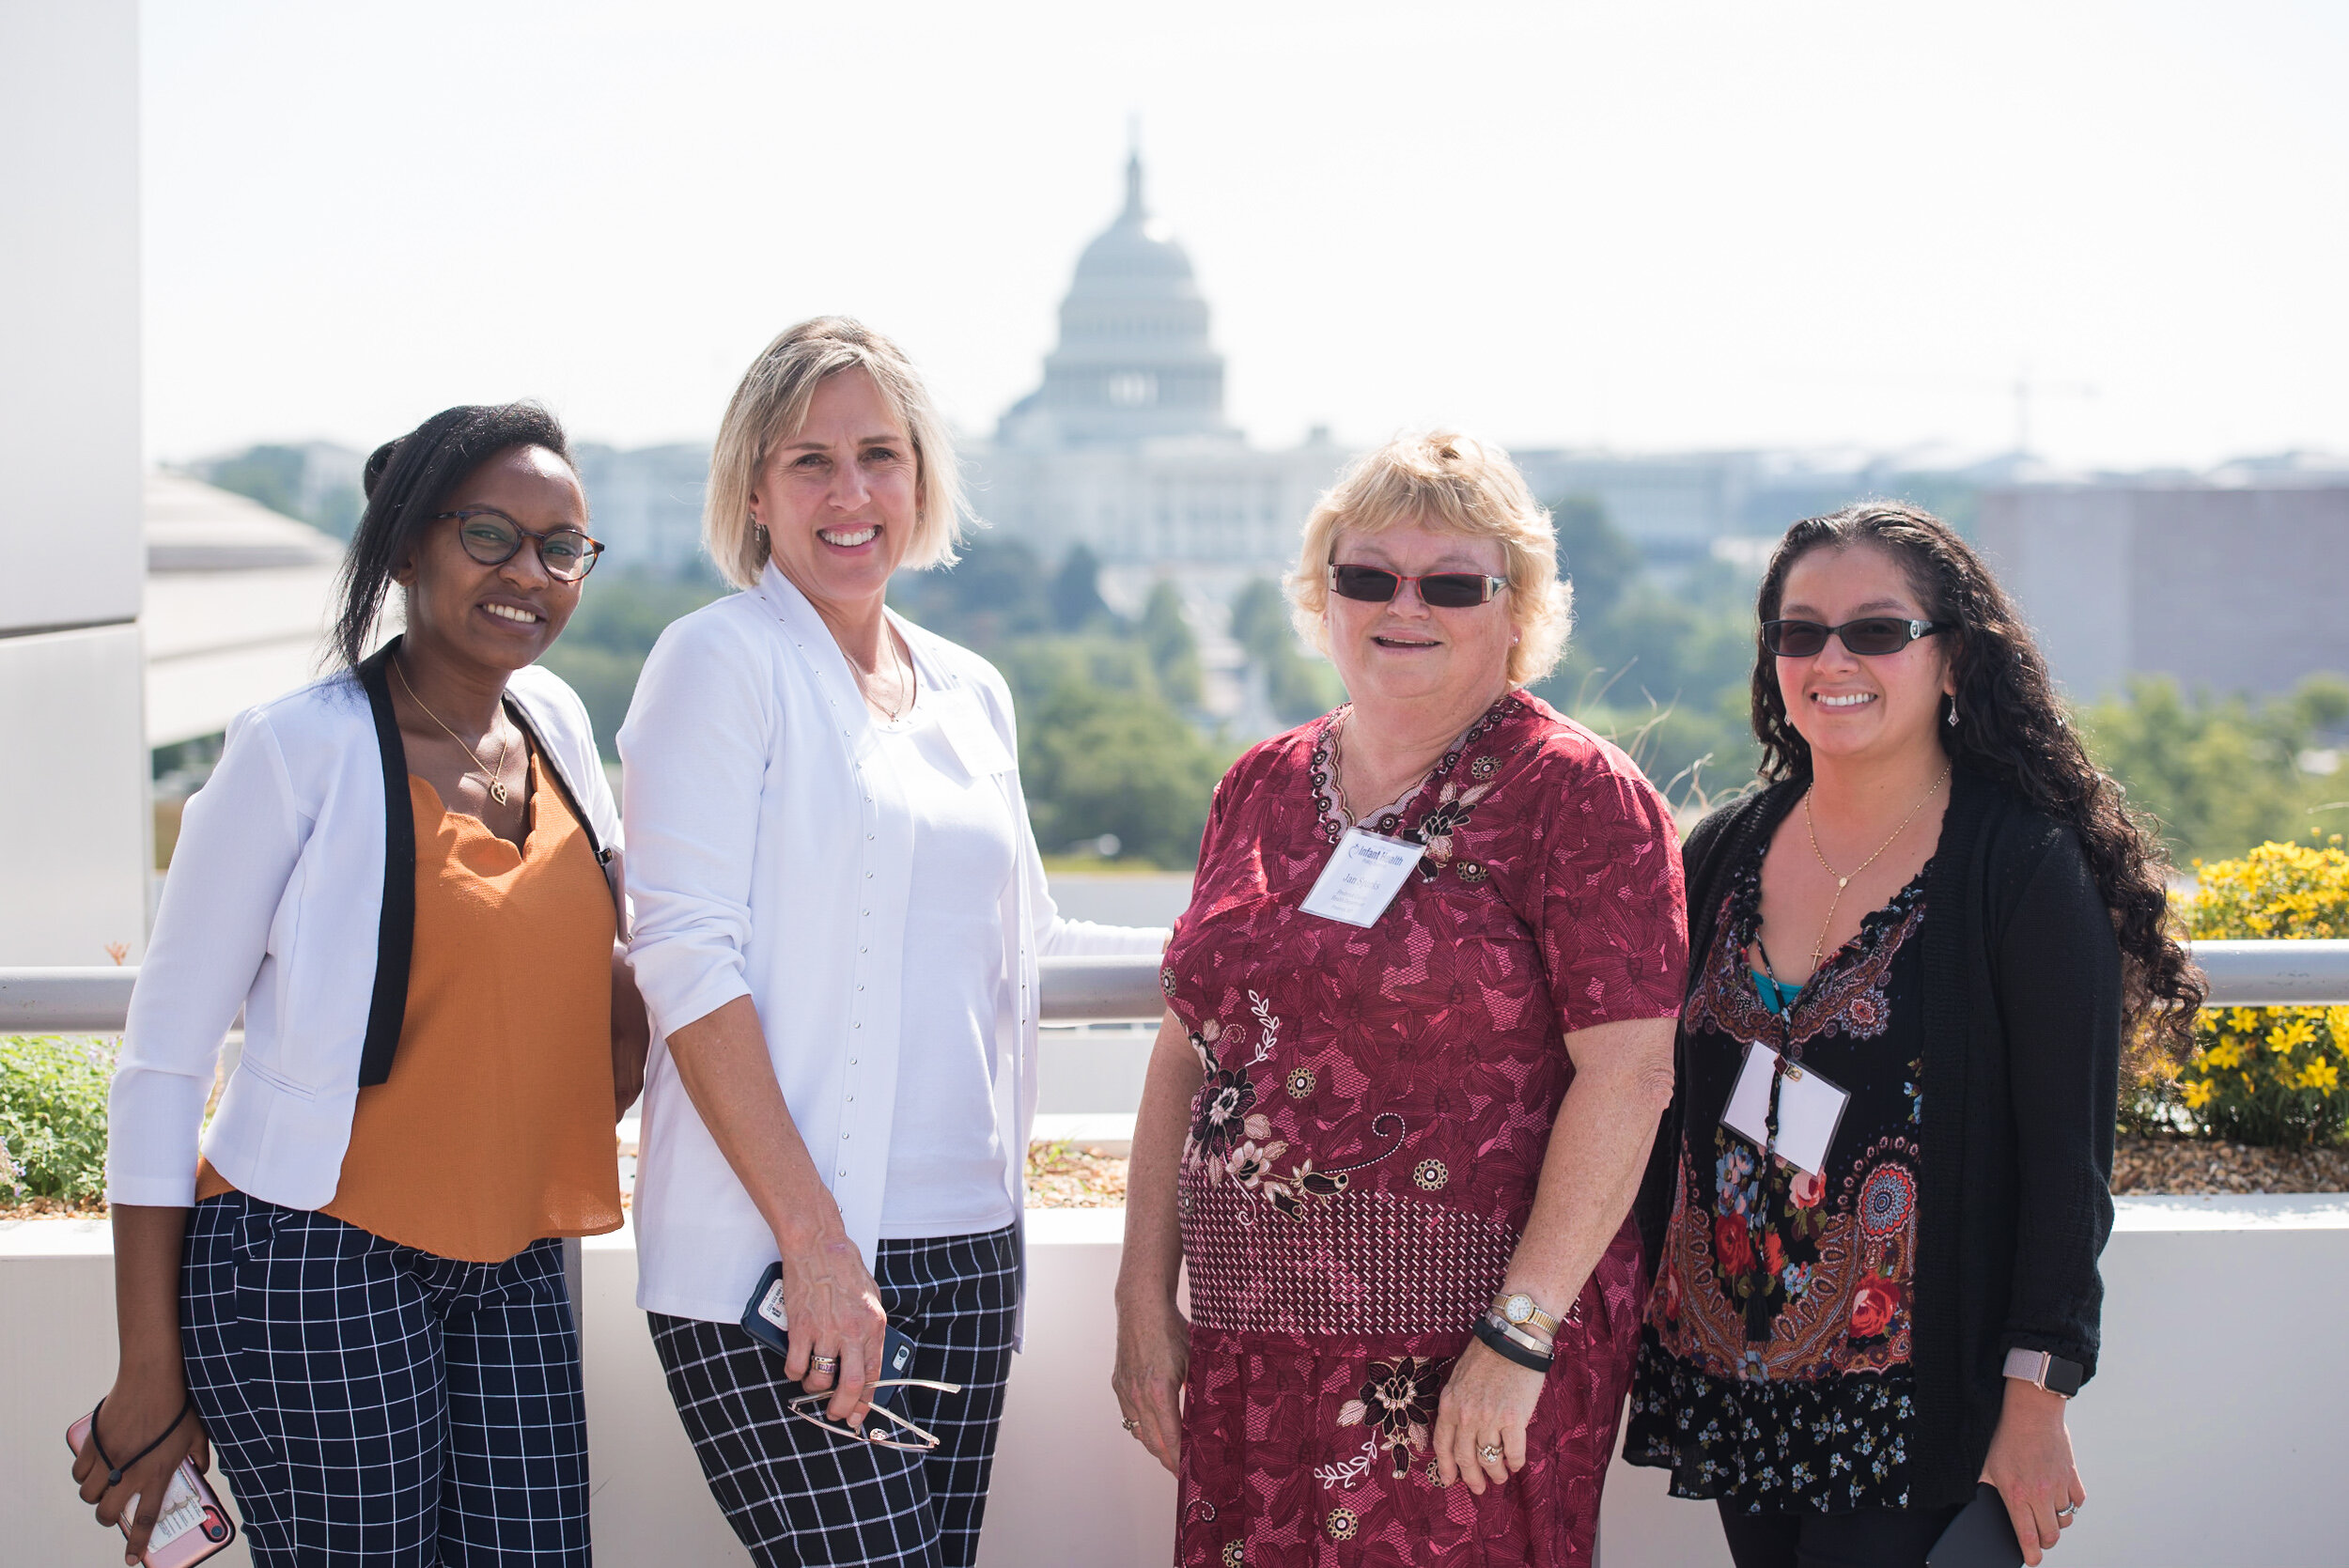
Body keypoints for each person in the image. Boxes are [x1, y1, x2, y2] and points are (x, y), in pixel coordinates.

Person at [617, 316, 1164, 1568]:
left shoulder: (972, 689)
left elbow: (1031, 940)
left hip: (969, 1251)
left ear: (923, 476)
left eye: (881, 453)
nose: (851, 492)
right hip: (782, 1258)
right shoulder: (717, 662)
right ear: (754, 490)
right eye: (810, 460)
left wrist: (1253, 942)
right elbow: (687, 963)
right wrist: (817, 1248)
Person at [80, 403, 646, 1566]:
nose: (527, 572)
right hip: (317, 1259)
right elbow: (161, 1063)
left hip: (514, 1256)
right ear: (402, 549)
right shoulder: (292, 750)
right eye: (487, 533)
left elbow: (607, 974)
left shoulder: (562, 727)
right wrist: (149, 1367)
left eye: (561, 546)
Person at [1112, 430, 1688, 1566]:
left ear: (1516, 608)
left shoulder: (1577, 797)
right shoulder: (1259, 784)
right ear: (1321, 597)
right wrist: (1144, 1298)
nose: (1402, 606)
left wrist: (1515, 1342)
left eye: (1452, 583)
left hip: (1462, 1369)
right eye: (1367, 575)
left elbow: (1631, 1074)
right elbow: (1189, 1048)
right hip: (1248, 1351)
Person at [1623, 502, 2204, 1568]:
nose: (1831, 658)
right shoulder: (1720, 853)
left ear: (1952, 661)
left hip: (1920, 1398)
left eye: (1877, 631)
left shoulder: (2016, 868)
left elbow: (2064, 1167)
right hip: (1732, 1376)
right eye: (1799, 632)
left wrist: (2036, 1404)